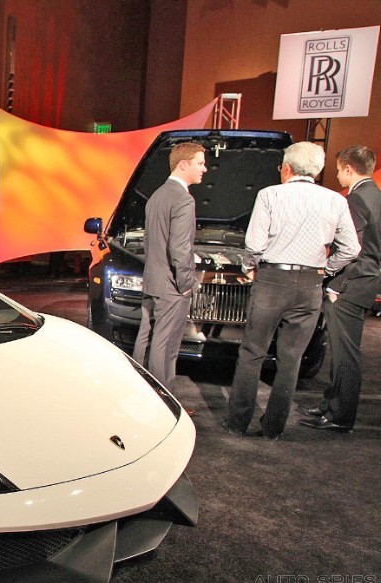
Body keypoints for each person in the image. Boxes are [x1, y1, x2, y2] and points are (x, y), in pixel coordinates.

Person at [223, 141, 360, 440]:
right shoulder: (335, 200)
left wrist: (249, 267)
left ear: (286, 168)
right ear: (317, 170)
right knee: (291, 359)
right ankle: (273, 428)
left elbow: (254, 244)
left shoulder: (270, 194)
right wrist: (326, 269)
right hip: (310, 284)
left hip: (272, 280)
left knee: (252, 352)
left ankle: (237, 422)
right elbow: (352, 248)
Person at [299, 145, 380, 432]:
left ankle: (339, 415)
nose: (336, 175)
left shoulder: (356, 199)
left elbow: (351, 248)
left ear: (348, 168)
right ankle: (330, 405)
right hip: (365, 283)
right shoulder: (376, 196)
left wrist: (335, 284)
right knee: (345, 351)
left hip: (349, 286)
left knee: (345, 354)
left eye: (337, 170)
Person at [132, 142, 206, 392]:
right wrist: (186, 284)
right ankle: (163, 400)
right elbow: (180, 248)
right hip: (172, 286)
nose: (204, 169)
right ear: (183, 164)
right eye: (200, 163)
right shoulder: (183, 200)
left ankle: (141, 391)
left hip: (153, 280)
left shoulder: (156, 196)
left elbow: (149, 241)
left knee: (146, 339)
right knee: (166, 348)